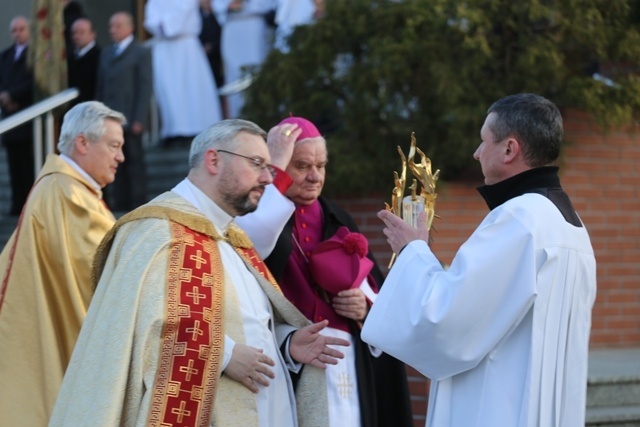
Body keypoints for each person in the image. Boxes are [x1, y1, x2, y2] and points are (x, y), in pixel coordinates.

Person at [49, 119, 350, 427]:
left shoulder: (233, 238)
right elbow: (137, 326)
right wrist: (225, 355)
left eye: (268, 168)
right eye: (257, 164)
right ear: (214, 160)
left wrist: (286, 343)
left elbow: (248, 321)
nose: (267, 179)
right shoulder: (155, 231)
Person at [362, 93, 597, 427]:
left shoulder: (520, 219)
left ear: (509, 149)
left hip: (498, 408)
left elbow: (446, 319)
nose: (475, 153)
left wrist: (413, 251)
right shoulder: (570, 223)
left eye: (483, 140)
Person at [235, 116, 413, 427]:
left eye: (322, 165)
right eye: (303, 166)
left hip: (347, 359)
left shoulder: (339, 219)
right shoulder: (256, 216)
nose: (315, 176)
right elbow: (247, 257)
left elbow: (375, 291)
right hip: (288, 358)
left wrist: (364, 310)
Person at [0, 101, 126, 426]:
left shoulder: (60, 187)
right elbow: (109, 277)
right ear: (83, 143)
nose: (120, 157)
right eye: (114, 146)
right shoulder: (70, 197)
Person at [144, 0, 223, 143]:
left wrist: (163, 24)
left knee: (191, 88)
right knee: (167, 90)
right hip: (163, 46)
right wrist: (160, 26)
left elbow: (183, 11)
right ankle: (172, 129)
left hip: (185, 46)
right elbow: (150, 17)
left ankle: (194, 128)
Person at [96, 11, 151, 211]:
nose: (112, 30)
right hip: (110, 118)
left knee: (134, 160)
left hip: (130, 116)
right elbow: (101, 87)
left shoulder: (140, 51)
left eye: (117, 26)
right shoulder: (107, 53)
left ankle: (138, 200)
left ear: (130, 27)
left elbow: (145, 86)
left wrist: (139, 118)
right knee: (113, 160)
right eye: (111, 26)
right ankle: (120, 201)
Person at [213, 0, 277, 118]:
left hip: (254, 27)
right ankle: (237, 118)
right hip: (232, 27)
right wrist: (228, 5)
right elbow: (217, 5)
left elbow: (270, 4)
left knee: (258, 71)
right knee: (234, 74)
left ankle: (262, 115)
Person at [0, 16, 34, 216]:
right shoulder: (5, 56)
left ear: (28, 31)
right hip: (9, 117)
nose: (18, 33)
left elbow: (33, 82)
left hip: (27, 117)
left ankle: (27, 204)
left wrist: (13, 95)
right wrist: (4, 97)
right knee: (13, 165)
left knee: (26, 165)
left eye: (22, 29)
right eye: (14, 30)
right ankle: (16, 204)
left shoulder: (35, 55)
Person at [67, 17, 101, 107]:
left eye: (81, 32)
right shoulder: (70, 57)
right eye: (74, 33)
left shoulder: (100, 56)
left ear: (92, 34)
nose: (77, 36)